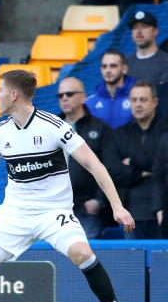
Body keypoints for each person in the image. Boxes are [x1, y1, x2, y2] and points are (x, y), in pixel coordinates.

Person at [0, 69, 139, 302]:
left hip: (53, 212)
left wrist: (117, 206)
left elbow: (94, 164)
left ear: (13, 95)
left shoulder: (54, 126)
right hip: (14, 214)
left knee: (83, 252)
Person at [57, 77, 114, 240]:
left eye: (69, 94)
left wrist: (99, 200)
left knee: (86, 260)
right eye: (60, 96)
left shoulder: (100, 128)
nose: (64, 98)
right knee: (57, 260)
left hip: (87, 208)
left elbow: (110, 166)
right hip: (56, 209)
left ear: (83, 97)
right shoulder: (50, 128)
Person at [108, 81, 167, 239]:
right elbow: (113, 170)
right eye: (134, 100)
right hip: (131, 214)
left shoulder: (166, 129)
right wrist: (143, 172)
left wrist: (132, 161)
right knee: (133, 262)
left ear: (155, 102)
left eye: (143, 99)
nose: (138, 104)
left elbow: (161, 166)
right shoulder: (120, 134)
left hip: (162, 210)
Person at [86, 49, 135, 128]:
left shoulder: (137, 99)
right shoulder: (90, 103)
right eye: (104, 66)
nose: (108, 70)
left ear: (124, 69)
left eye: (113, 66)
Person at [126, 10, 168, 86]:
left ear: (155, 31)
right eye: (135, 27)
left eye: (144, 26)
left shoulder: (165, 61)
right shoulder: (125, 63)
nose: (139, 31)